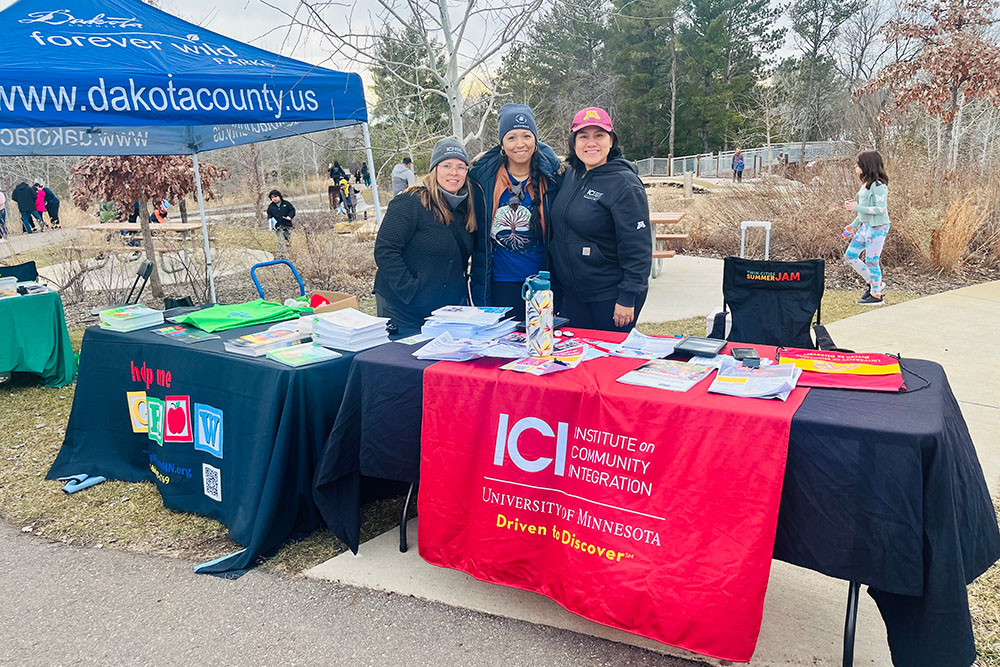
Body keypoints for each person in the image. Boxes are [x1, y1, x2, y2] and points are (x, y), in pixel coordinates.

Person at [549, 107, 652, 332]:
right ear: (573, 142)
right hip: (573, 296)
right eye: (583, 136)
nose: (591, 143)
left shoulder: (624, 185)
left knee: (608, 363)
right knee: (573, 361)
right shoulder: (571, 175)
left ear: (611, 141)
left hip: (609, 297)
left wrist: (628, 297)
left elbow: (638, 248)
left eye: (599, 135)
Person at [374, 138, 476, 336]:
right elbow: (385, 250)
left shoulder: (467, 208)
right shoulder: (411, 202)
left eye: (460, 167)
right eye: (447, 165)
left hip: (446, 312)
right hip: (403, 309)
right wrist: (410, 290)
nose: (454, 172)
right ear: (435, 169)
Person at [469, 103, 562, 319]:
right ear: (502, 143)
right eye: (511, 137)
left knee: (540, 346)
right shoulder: (482, 178)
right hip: (499, 282)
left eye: (526, 136)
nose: (520, 144)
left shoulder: (554, 177)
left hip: (542, 283)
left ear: (535, 141)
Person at [842, 151, 891, 306]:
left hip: (878, 228)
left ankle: (877, 296)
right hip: (865, 227)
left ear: (867, 165)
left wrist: (857, 207)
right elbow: (864, 211)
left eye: (858, 164)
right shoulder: (865, 186)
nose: (855, 167)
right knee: (850, 256)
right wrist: (853, 226)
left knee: (872, 261)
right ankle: (874, 284)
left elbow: (880, 210)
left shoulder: (879, 186)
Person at [266, 189, 295, 256]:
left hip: (287, 224)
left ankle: (289, 251)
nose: (274, 199)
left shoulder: (286, 204)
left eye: (275, 197)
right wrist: (270, 219)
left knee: (287, 238)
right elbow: (269, 214)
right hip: (278, 226)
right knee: (280, 240)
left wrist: (289, 216)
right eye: (272, 197)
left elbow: (292, 210)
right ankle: (281, 253)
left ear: (279, 196)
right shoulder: (271, 206)